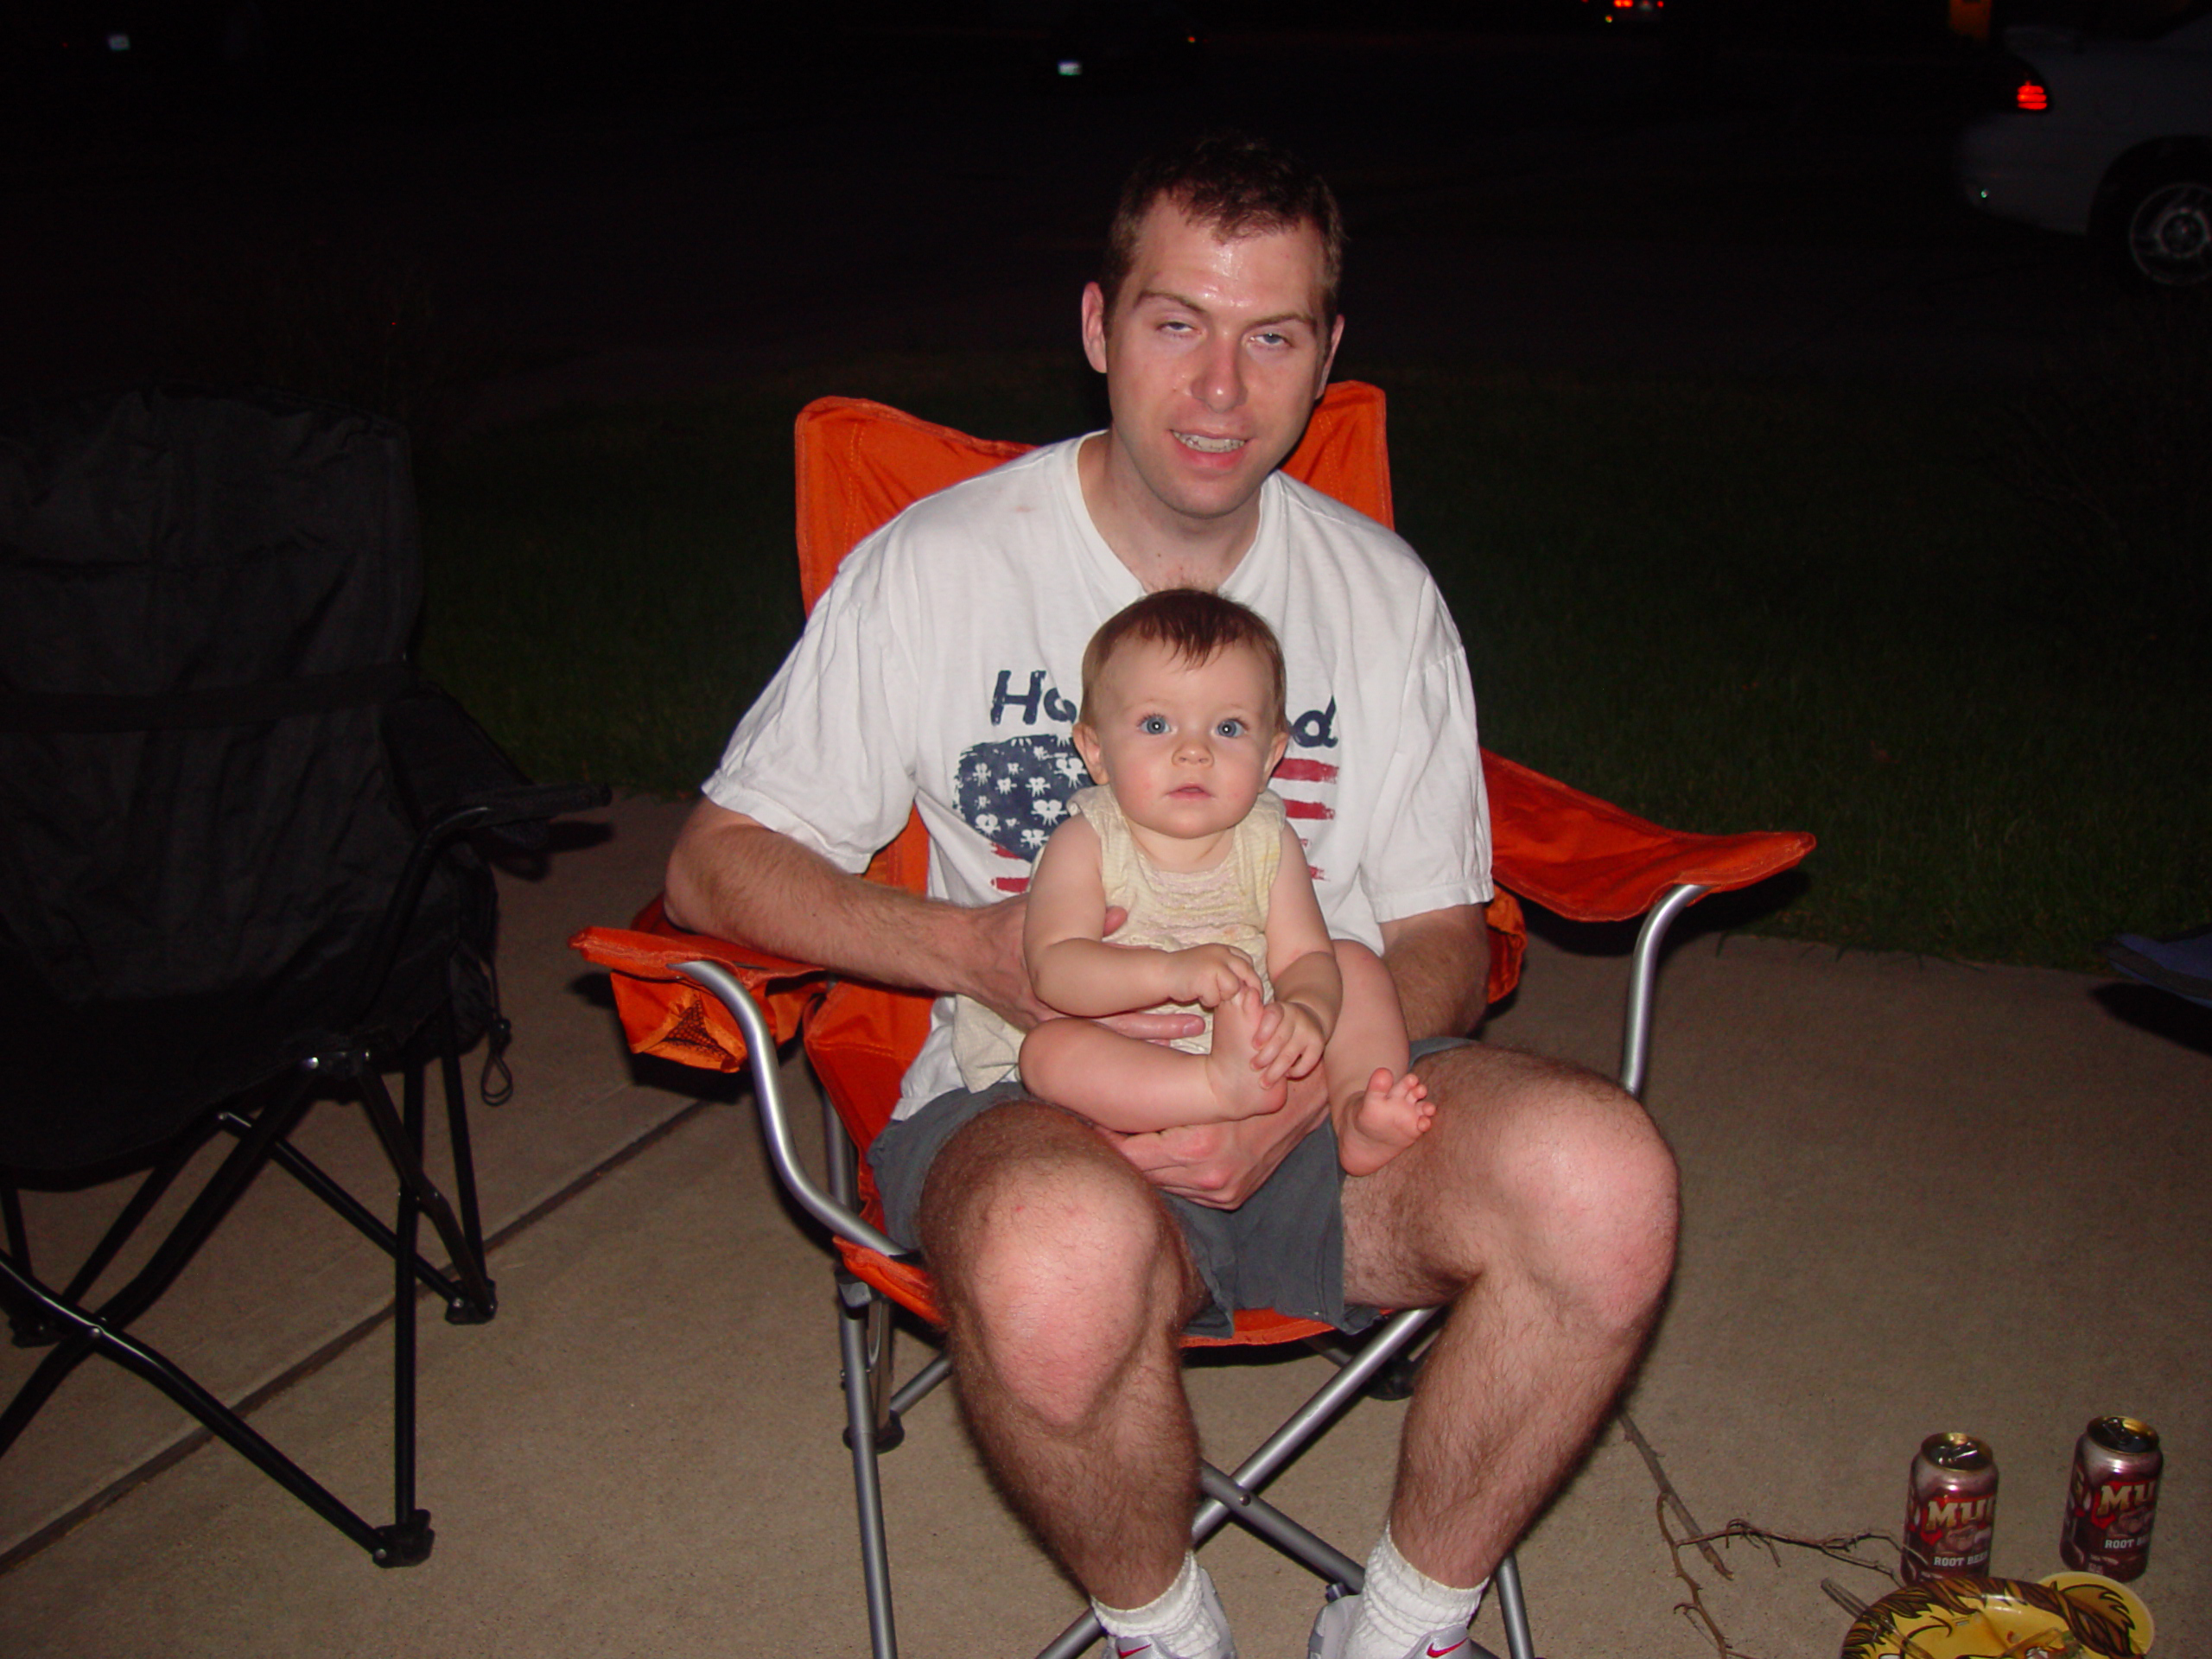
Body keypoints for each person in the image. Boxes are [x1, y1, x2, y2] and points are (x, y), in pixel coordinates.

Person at [664, 130, 1677, 1659]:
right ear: (1096, 327)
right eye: (1175, 323)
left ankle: (1401, 1625)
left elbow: (1439, 937)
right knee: (1056, 1258)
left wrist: (1311, 1074)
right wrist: (975, 952)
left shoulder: (1381, 595)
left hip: (1321, 1099)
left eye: (1270, 335)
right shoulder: (938, 568)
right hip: (1035, 1099)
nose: (1219, 389)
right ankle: (1163, 1631)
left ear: (1327, 356)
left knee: (1610, 1186)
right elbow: (714, 858)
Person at [957, 587, 1433, 1179]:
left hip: (1258, 1038)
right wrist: (1170, 971)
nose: (1194, 752)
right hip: (1138, 1058)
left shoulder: (1268, 840)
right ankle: (1214, 1087)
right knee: (1047, 1056)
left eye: (1229, 728)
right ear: (1096, 752)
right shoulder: (1089, 841)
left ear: (1269, 757)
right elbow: (1055, 968)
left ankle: (1360, 1108)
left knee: (1354, 964)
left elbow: (1305, 955)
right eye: (1156, 724)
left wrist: (1306, 1012)